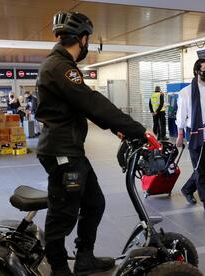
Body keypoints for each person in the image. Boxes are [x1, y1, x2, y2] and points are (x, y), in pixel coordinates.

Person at [35, 12, 149, 276]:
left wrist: (118, 130)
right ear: (83, 39)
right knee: (64, 210)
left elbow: (80, 107)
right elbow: (92, 102)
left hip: (71, 150)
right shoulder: (60, 66)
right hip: (63, 153)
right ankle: (59, 267)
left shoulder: (59, 65)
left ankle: (84, 257)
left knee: (94, 203)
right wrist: (136, 130)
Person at [176, 58, 205, 216]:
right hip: (195, 134)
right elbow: (181, 116)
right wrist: (180, 135)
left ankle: (187, 189)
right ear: (197, 71)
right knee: (201, 170)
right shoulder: (186, 92)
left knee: (204, 168)